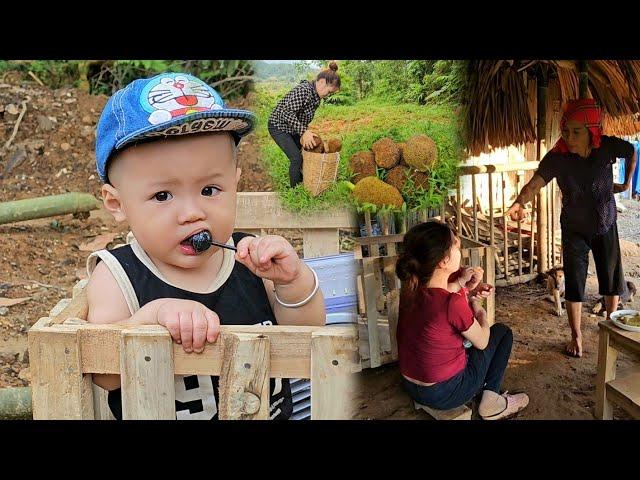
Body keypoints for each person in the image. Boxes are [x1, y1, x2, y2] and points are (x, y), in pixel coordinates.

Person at [86, 72, 325, 420]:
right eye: (162, 195)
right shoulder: (116, 275)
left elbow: (306, 334)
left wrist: (293, 282)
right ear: (117, 204)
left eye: (210, 190)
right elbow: (103, 374)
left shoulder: (250, 259)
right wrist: (151, 319)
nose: (193, 213)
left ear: (235, 183)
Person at [507, 99, 638, 358]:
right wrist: (519, 202)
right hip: (574, 228)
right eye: (566, 130)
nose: (569, 136)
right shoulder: (559, 157)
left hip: (605, 222)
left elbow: (632, 151)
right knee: (576, 281)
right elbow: (534, 184)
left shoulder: (607, 147)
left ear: (592, 131)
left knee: (611, 279)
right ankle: (576, 336)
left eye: (576, 131)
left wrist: (625, 183)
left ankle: (611, 329)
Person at [396, 221, 529, 420]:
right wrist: (477, 306)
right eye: (456, 245)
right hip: (446, 394)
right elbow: (483, 341)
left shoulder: (410, 288)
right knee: (501, 333)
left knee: (460, 341)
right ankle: (491, 402)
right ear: (443, 261)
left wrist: (464, 287)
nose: (460, 248)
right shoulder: (452, 302)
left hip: (412, 385)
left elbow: (440, 303)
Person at [268, 61, 341, 187]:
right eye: (329, 92)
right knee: (296, 158)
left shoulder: (317, 97)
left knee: (304, 152)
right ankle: (295, 191)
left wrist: (305, 132)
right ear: (322, 82)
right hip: (278, 126)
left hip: (292, 127)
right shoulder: (304, 91)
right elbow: (287, 113)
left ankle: (305, 181)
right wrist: (303, 132)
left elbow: (302, 116)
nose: (328, 96)